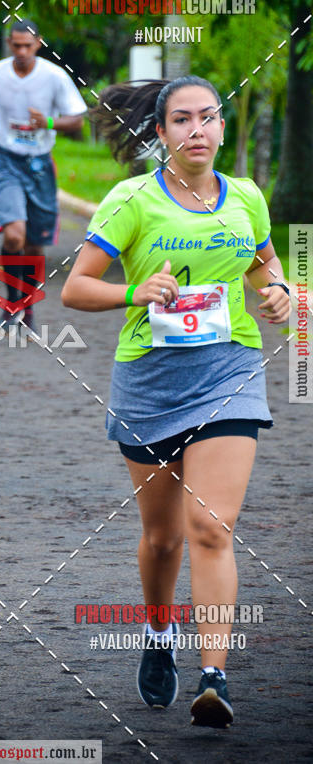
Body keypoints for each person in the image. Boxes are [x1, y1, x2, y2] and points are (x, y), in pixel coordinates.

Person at [61, 76, 290, 727]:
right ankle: (159, 634)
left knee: (211, 527)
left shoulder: (246, 197)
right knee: (162, 539)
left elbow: (265, 271)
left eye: (209, 118)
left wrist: (280, 296)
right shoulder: (129, 199)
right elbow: (76, 290)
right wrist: (137, 294)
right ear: (159, 133)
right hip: (150, 385)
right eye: (182, 120)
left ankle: (213, 675)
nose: (198, 130)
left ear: (223, 127)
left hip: (230, 374)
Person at [0, 19, 86, 329]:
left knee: (34, 245)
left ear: (39, 43)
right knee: (14, 235)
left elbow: (77, 119)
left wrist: (47, 123)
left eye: (28, 46)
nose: (22, 51)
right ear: (9, 43)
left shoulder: (54, 76)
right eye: (16, 45)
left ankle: (28, 308)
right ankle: (11, 307)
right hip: (6, 161)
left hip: (40, 165)